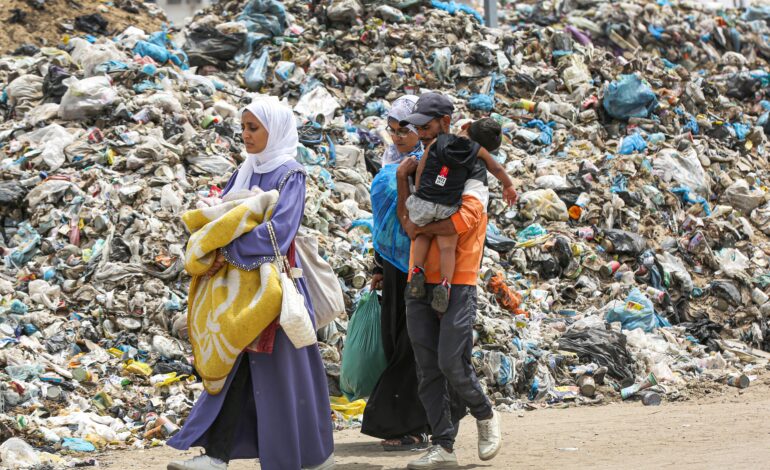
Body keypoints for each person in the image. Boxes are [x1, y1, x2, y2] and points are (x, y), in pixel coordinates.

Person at [166, 99, 335, 470]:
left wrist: (227, 246)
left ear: (274, 130)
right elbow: (225, 214)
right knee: (241, 365)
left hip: (271, 288)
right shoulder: (246, 170)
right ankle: (222, 454)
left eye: (253, 128)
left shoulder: (291, 173)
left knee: (267, 373)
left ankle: (229, 455)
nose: (245, 135)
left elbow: (280, 231)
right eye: (243, 127)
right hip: (237, 288)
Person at [396, 92, 512, 469]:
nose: (420, 133)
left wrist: (420, 224)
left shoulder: (469, 166)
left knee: (450, 362)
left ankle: (484, 413)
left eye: (426, 125)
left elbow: (467, 219)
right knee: (427, 367)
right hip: (418, 280)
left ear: (446, 122)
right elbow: (406, 222)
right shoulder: (418, 162)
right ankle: (443, 445)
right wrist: (404, 193)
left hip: (457, 280)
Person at [362, 95, 431, 451]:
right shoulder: (391, 162)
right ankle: (417, 420)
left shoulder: (429, 164)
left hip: (420, 264)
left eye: (404, 129)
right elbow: (381, 220)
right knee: (394, 339)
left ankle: (411, 424)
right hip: (391, 266)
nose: (398, 137)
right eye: (392, 130)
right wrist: (377, 264)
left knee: (412, 343)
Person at [406, 96, 517, 313]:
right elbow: (495, 168)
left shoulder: (439, 141)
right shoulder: (477, 152)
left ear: (465, 126)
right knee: (447, 247)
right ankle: (445, 285)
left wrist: (420, 191)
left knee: (422, 235)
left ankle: (417, 271)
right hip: (449, 205)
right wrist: (509, 186)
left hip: (425, 201)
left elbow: (421, 168)